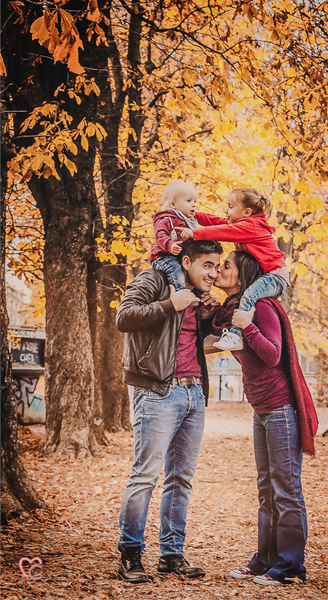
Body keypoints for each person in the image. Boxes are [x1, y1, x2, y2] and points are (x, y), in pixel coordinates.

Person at [116, 239, 223, 583]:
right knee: (145, 476)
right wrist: (167, 305)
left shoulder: (196, 298)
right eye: (207, 265)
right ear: (187, 261)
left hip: (194, 393)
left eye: (217, 266)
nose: (214, 272)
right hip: (157, 391)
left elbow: (193, 339)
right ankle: (130, 555)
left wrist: (210, 317)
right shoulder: (154, 280)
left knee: (181, 479)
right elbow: (124, 317)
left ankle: (171, 554)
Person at [212, 250, 318, 586]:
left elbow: (272, 354)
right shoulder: (232, 312)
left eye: (225, 266)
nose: (218, 270)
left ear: (242, 274)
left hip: (281, 409)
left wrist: (248, 328)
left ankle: (289, 566)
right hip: (261, 410)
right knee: (266, 489)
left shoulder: (262, 308)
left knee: (285, 490)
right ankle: (264, 561)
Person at [179, 187, 289, 352]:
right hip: (270, 274)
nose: (226, 210)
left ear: (246, 212)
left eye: (230, 207)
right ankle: (225, 334)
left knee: (248, 297)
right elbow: (218, 222)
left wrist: (195, 233)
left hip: (275, 275)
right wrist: (194, 216)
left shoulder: (251, 227)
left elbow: (222, 231)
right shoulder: (243, 225)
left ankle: (235, 335)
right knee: (245, 297)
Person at [149, 180, 202, 295]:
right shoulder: (166, 219)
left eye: (194, 201)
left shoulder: (188, 221)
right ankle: (181, 294)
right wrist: (170, 245)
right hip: (164, 257)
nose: (193, 204)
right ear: (173, 204)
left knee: (195, 272)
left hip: (180, 257)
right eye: (188, 201)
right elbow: (160, 235)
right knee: (175, 270)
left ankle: (200, 296)